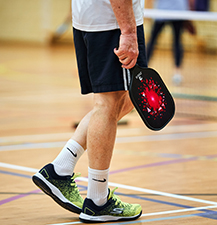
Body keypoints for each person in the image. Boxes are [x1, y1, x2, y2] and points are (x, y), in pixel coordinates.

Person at [32, 0, 147, 223]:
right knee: (108, 104)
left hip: (90, 19)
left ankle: (60, 169)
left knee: (124, 101)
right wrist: (128, 31)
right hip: (111, 23)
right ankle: (98, 200)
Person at [146, 0, 195, 85]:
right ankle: (145, 68)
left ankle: (177, 73)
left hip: (177, 12)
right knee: (154, 41)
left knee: (176, 41)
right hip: (163, 12)